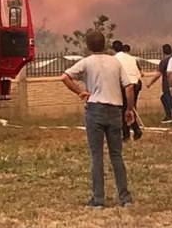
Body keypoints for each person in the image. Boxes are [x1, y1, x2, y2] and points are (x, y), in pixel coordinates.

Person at [61, 30, 134, 209]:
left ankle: (98, 200)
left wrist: (80, 92)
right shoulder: (115, 62)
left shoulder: (86, 62)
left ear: (88, 46)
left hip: (95, 109)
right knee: (116, 155)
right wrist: (129, 109)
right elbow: (129, 86)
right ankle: (125, 198)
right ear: (105, 44)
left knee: (96, 156)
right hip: (115, 110)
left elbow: (64, 77)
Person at [112, 41, 143, 140]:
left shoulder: (115, 59)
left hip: (125, 85)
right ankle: (135, 130)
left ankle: (127, 135)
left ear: (113, 49)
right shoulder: (131, 58)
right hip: (136, 84)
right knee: (130, 107)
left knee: (123, 110)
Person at [144, 44, 172, 123]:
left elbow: (158, 74)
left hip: (167, 85)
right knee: (164, 98)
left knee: (169, 100)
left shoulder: (164, 61)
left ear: (163, 51)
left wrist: (150, 83)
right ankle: (169, 115)